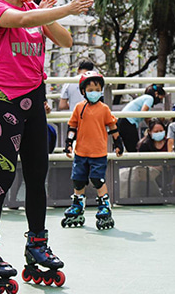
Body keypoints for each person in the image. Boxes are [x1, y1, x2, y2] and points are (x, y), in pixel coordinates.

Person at [0, 0, 93, 290]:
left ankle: (37, 244)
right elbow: (21, 22)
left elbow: (65, 40)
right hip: (3, 104)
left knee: (38, 176)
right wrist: (63, 9)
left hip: (34, 102)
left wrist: (45, 12)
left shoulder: (31, 10)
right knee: (3, 176)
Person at [61, 71, 124, 230]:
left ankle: (104, 205)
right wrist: (69, 143)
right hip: (81, 152)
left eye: (97, 89)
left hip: (98, 153)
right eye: (90, 89)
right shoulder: (78, 108)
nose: (94, 92)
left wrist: (118, 143)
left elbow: (112, 127)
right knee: (78, 179)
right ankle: (78, 205)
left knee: (97, 179)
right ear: (83, 91)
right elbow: (72, 127)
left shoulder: (104, 109)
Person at [117, 84, 165, 153]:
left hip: (124, 121)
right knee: (135, 149)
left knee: (131, 148)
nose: (160, 100)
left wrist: (153, 126)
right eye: (161, 98)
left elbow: (147, 119)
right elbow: (143, 112)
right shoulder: (149, 98)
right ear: (156, 94)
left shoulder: (145, 98)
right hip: (128, 122)